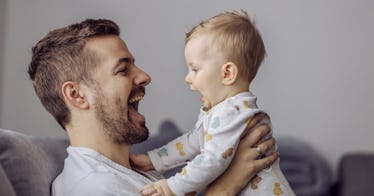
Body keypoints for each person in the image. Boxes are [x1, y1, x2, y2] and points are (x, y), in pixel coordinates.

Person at [28, 18, 278, 196]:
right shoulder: (93, 187)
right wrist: (225, 186)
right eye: (123, 69)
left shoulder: (130, 172)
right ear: (77, 95)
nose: (145, 76)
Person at [131, 11, 295, 196]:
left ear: (227, 74)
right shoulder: (224, 111)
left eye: (195, 69)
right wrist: (153, 160)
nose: (187, 78)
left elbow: (211, 161)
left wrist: (172, 187)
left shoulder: (231, 113)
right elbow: (191, 142)